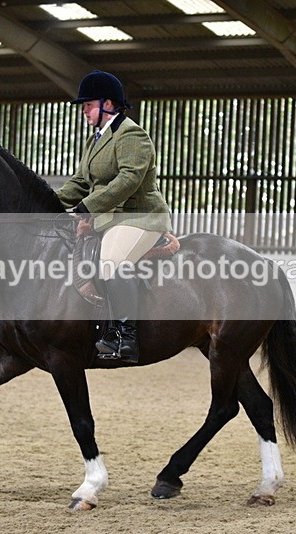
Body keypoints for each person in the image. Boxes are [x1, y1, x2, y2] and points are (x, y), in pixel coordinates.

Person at [56, 70, 172, 364]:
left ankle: (126, 337)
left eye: (88, 105)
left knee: (111, 261)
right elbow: (81, 182)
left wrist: (87, 207)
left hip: (140, 218)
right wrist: (50, 203)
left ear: (109, 104)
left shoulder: (131, 134)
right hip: (110, 219)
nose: (84, 111)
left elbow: (128, 179)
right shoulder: (95, 140)